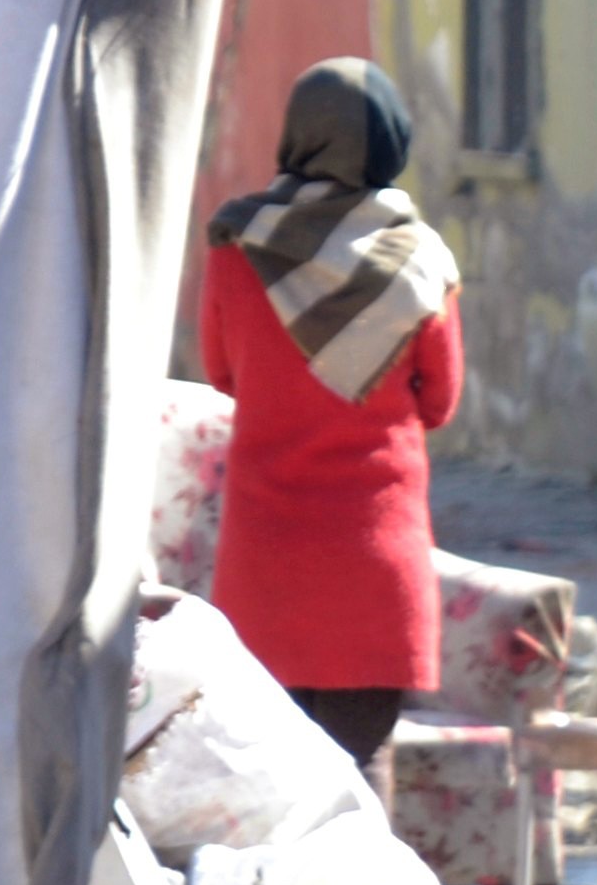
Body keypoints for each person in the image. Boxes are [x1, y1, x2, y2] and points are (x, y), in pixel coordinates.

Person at [196, 58, 462, 801]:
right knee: (359, 779)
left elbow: (223, 373)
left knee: (271, 789)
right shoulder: (419, 261)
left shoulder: (236, 248)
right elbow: (438, 403)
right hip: (374, 569)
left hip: (266, 564)